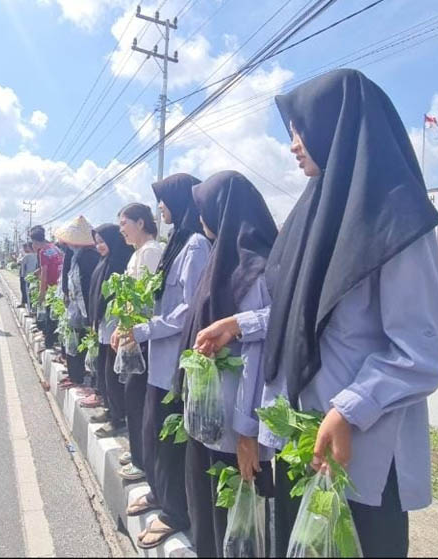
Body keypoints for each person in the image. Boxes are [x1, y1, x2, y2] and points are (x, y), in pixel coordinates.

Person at [193, 69, 438, 558]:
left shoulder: (396, 221)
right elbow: (301, 315)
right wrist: (239, 324)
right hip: (304, 439)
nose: (293, 144)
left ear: (338, 126)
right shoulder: (313, 214)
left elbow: (424, 348)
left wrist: (351, 407)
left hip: (360, 454)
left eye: (301, 128)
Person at [182, 170, 278, 557]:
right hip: (213, 418)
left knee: (240, 530)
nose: (200, 218)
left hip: (236, 428)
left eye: (204, 208)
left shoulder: (254, 268)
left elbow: (258, 356)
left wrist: (245, 431)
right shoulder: (223, 259)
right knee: (218, 521)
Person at [121, 174, 212, 550]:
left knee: (170, 441)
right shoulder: (176, 243)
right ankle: (159, 494)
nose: (160, 208)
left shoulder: (194, 246)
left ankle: (175, 512)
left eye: (163, 200)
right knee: (152, 432)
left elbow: (189, 310)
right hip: (158, 359)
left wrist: (143, 329)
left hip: (174, 361)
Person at [109, 203, 163, 480]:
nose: (121, 231)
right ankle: (138, 449)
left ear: (141, 223)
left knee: (137, 398)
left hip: (144, 338)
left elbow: (152, 301)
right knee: (133, 397)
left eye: (124, 224)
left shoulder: (152, 252)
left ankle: (143, 460)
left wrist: (130, 327)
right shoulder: (137, 254)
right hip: (134, 335)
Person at [83, 225, 133, 425]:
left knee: (114, 374)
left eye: (102, 242)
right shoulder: (104, 262)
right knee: (104, 372)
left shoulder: (121, 262)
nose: (99, 247)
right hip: (103, 325)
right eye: (96, 243)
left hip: (117, 326)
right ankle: (109, 408)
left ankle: (118, 416)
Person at [55, 216, 101, 391]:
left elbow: (86, 284)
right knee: (73, 339)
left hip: (85, 307)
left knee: (81, 340)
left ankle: (79, 376)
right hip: (75, 306)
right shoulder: (73, 254)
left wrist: (88, 311)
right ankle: (74, 375)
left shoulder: (88, 256)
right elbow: (68, 277)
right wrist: (66, 294)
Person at [30, 226, 64, 349]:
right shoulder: (54, 248)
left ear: (34, 241)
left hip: (52, 287)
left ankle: (48, 343)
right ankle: (50, 338)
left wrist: (41, 293)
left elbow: (44, 275)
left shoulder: (43, 252)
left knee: (50, 316)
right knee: (56, 316)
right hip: (60, 285)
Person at [18, 243, 38, 308]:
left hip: (26, 277)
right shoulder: (38, 255)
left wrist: (22, 276)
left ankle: (27, 306)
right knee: (33, 291)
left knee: (25, 291)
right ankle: (29, 306)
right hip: (35, 276)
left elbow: (23, 267)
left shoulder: (27, 256)